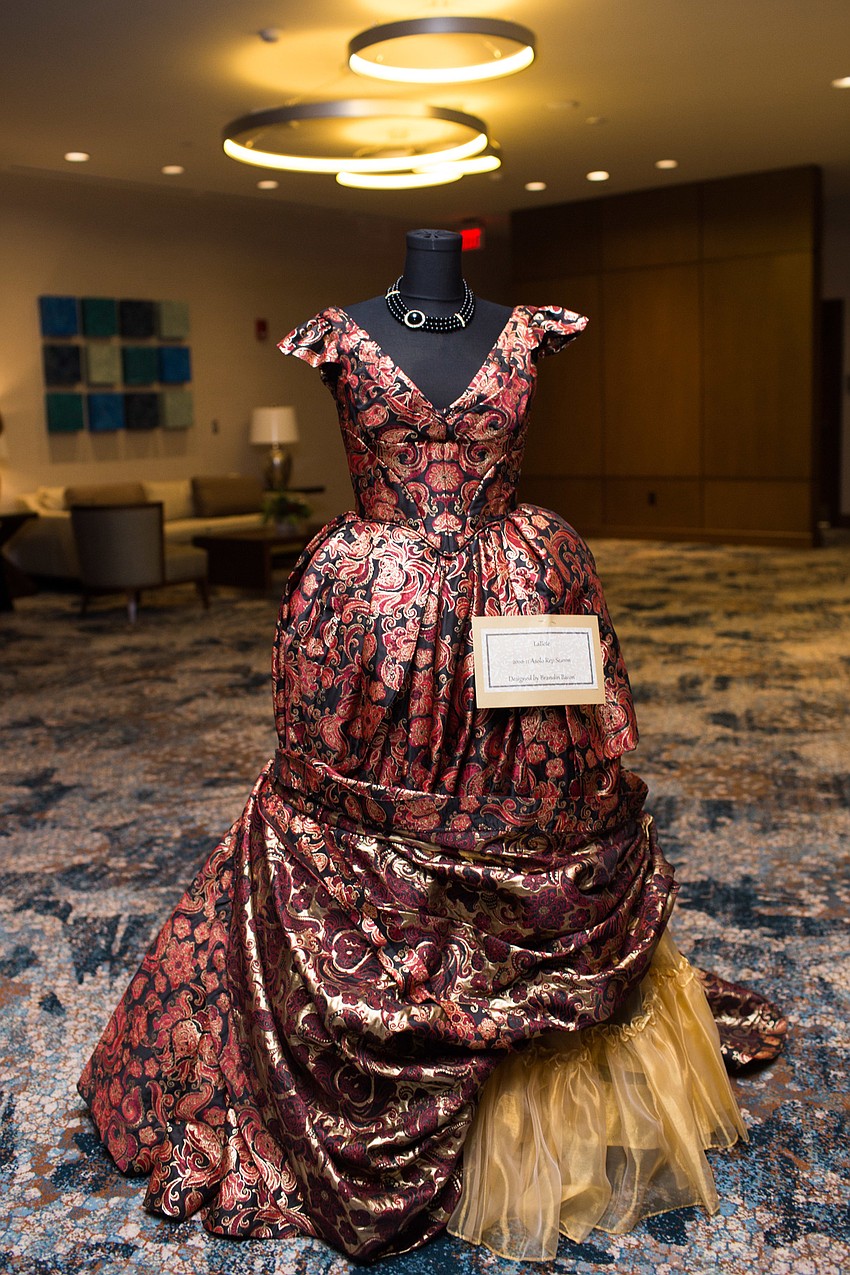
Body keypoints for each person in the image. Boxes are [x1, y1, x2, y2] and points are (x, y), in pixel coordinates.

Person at [78, 229, 785, 1263]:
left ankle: (532, 1060)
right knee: (349, 823)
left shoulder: (528, 332)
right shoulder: (337, 336)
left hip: (519, 598)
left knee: (541, 812)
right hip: (377, 617)